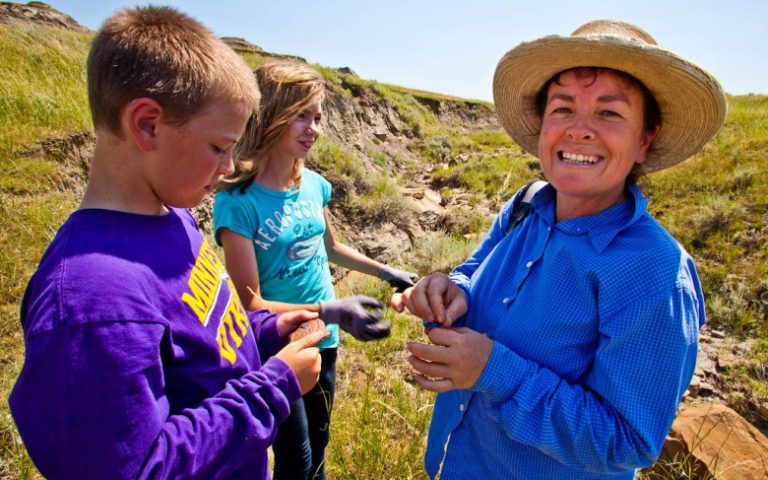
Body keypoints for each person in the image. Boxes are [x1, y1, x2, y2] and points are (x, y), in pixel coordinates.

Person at [395, 20, 727, 480]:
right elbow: (476, 271)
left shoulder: (654, 273)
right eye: (563, 108)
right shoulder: (526, 205)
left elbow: (626, 441)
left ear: (644, 141)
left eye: (609, 113)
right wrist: (449, 289)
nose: (580, 131)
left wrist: (493, 371)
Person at [8, 7, 326, 479]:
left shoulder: (175, 217)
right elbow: (136, 469)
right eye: (219, 147)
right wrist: (274, 387)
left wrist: (262, 332)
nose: (227, 166)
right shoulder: (92, 300)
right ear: (147, 124)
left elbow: (198, 339)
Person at [212, 61, 417, 480]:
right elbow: (250, 302)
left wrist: (387, 272)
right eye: (301, 116)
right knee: (296, 455)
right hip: (283, 344)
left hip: (326, 338)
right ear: (269, 117)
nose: (314, 129)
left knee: (319, 444)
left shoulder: (314, 185)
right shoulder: (238, 201)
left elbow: (333, 248)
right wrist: (331, 309)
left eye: (318, 117)